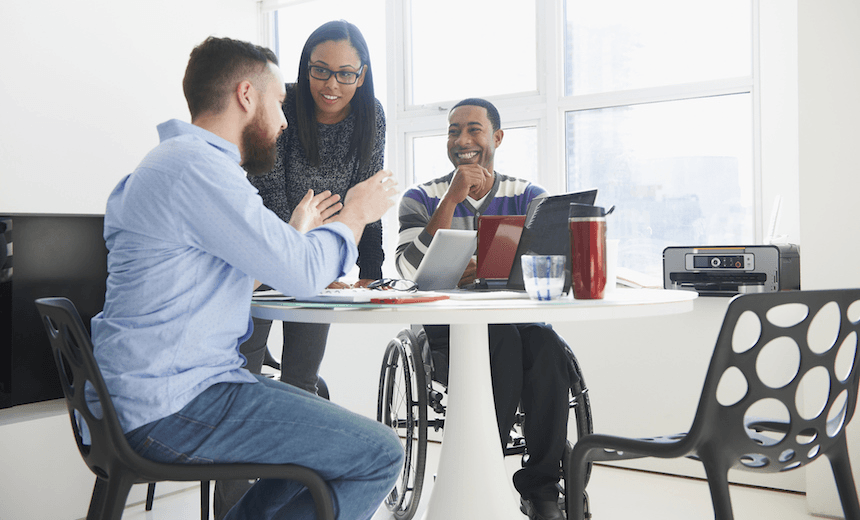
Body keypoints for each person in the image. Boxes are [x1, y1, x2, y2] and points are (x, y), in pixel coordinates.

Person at [89, 36, 403, 520]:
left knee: (316, 445)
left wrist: (294, 237)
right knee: (379, 452)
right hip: (171, 406)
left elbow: (218, 276)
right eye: (279, 103)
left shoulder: (172, 163)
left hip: (141, 397)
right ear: (245, 96)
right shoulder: (199, 170)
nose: (283, 121)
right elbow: (301, 275)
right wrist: (355, 214)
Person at [396, 98, 573, 520]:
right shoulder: (420, 197)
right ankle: (479, 470)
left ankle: (542, 488)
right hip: (448, 326)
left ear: (496, 137)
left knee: (548, 346)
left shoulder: (529, 196)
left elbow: (550, 265)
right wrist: (451, 201)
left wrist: (498, 269)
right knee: (503, 340)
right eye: (454, 131)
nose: (462, 140)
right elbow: (407, 268)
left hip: (514, 317)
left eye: (473, 129)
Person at [241, 20, 385, 395]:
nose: (331, 85)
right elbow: (265, 187)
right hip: (265, 251)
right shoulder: (282, 104)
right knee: (243, 373)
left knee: (301, 380)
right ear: (306, 66)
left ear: (362, 74)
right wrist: (292, 251)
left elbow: (366, 196)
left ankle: (291, 451)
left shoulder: (371, 114)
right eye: (320, 71)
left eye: (345, 74)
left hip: (317, 263)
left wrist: (370, 271)